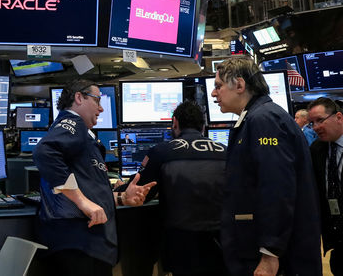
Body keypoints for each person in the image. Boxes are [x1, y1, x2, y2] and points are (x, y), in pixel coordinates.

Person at [33, 78, 156, 276]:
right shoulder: (72, 123)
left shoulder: (83, 134)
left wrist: (122, 198)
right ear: (79, 98)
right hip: (79, 243)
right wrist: (82, 202)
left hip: (85, 244)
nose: (101, 109)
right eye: (97, 101)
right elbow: (44, 152)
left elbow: (88, 187)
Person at [211, 56, 321, 275]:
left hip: (277, 261)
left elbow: (277, 188)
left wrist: (270, 253)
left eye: (218, 86)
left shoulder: (264, 120)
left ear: (240, 85)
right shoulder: (256, 118)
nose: (214, 93)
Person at [133, 101, 227, 276]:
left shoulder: (162, 151)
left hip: (180, 247)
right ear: (203, 126)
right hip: (222, 244)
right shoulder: (226, 151)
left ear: (174, 122)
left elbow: (141, 193)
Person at [308, 97, 343, 274]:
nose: (315, 127)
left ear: (339, 117)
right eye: (312, 123)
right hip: (337, 242)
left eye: (320, 120)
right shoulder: (316, 149)